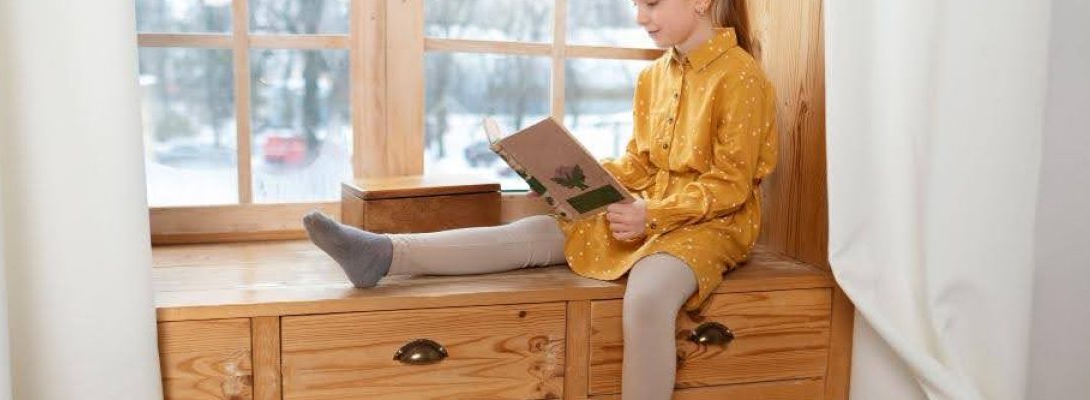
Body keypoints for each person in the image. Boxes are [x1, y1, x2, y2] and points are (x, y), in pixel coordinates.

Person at [302, 0, 776, 398]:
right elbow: (640, 163)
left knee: (649, 296)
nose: (638, 16)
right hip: (644, 205)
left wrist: (652, 213)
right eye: (635, 3)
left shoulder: (741, 77)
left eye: (650, 2)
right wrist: (568, 177)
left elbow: (731, 186)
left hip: (711, 224)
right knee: (532, 233)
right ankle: (382, 253)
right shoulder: (652, 78)